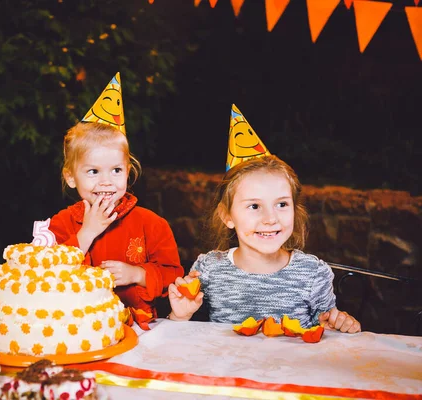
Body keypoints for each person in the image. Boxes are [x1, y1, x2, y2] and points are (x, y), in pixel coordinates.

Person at [167, 105, 361, 333]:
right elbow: (183, 342)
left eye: (281, 204)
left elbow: (328, 338)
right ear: (227, 216)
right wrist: (179, 316)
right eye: (254, 206)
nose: (270, 218)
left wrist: (339, 326)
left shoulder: (312, 274)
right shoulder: (209, 270)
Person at [49, 73, 184, 329]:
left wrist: (138, 274)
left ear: (128, 170)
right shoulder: (61, 223)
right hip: (74, 331)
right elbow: (46, 277)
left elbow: (175, 275)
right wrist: (86, 232)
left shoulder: (151, 224)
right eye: (93, 171)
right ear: (71, 177)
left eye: (116, 170)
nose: (106, 182)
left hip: (139, 330)